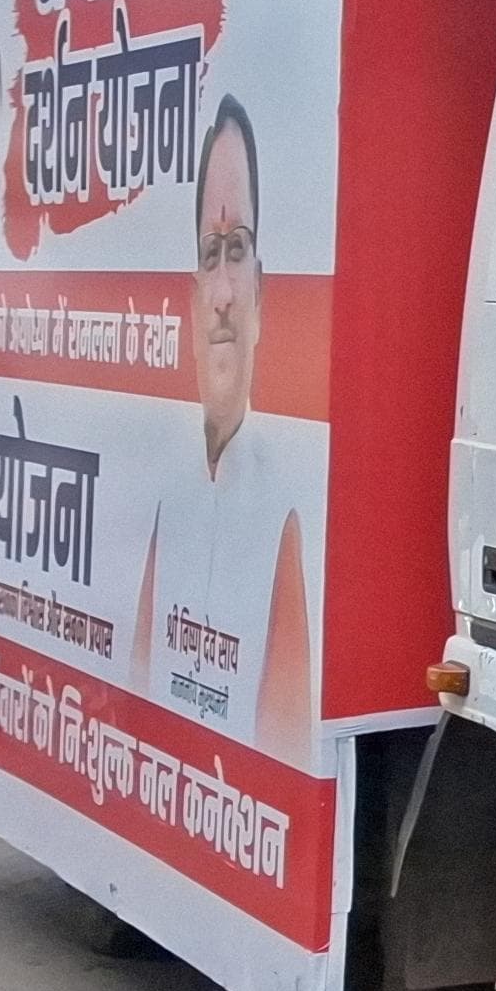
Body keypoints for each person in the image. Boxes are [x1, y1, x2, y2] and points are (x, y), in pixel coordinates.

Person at [151, 98, 317, 758]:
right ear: (191, 292)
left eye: (238, 250)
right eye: (210, 253)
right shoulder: (166, 503)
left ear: (262, 296)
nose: (223, 291)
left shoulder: (287, 513)